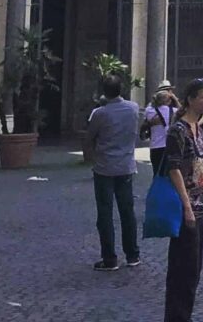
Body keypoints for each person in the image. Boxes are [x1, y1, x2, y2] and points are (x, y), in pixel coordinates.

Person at [165, 78, 203, 322]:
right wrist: (187, 206)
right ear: (190, 99)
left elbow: (201, 168)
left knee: (194, 268)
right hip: (184, 207)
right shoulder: (178, 130)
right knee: (182, 268)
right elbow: (174, 169)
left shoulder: (199, 129)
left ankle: (184, 315)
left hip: (200, 205)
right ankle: (177, 317)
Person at [84, 73, 141, 271]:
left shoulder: (100, 113)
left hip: (104, 167)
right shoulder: (133, 108)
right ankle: (133, 254)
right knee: (127, 212)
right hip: (125, 166)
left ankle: (109, 259)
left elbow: (90, 137)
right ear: (121, 90)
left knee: (105, 214)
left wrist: (89, 155)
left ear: (103, 92)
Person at [142, 87, 176, 177]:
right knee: (169, 174)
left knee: (156, 173)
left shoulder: (149, 111)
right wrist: (175, 99)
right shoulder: (174, 111)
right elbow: (184, 111)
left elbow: (145, 123)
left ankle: (156, 190)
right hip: (169, 146)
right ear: (169, 100)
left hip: (155, 146)